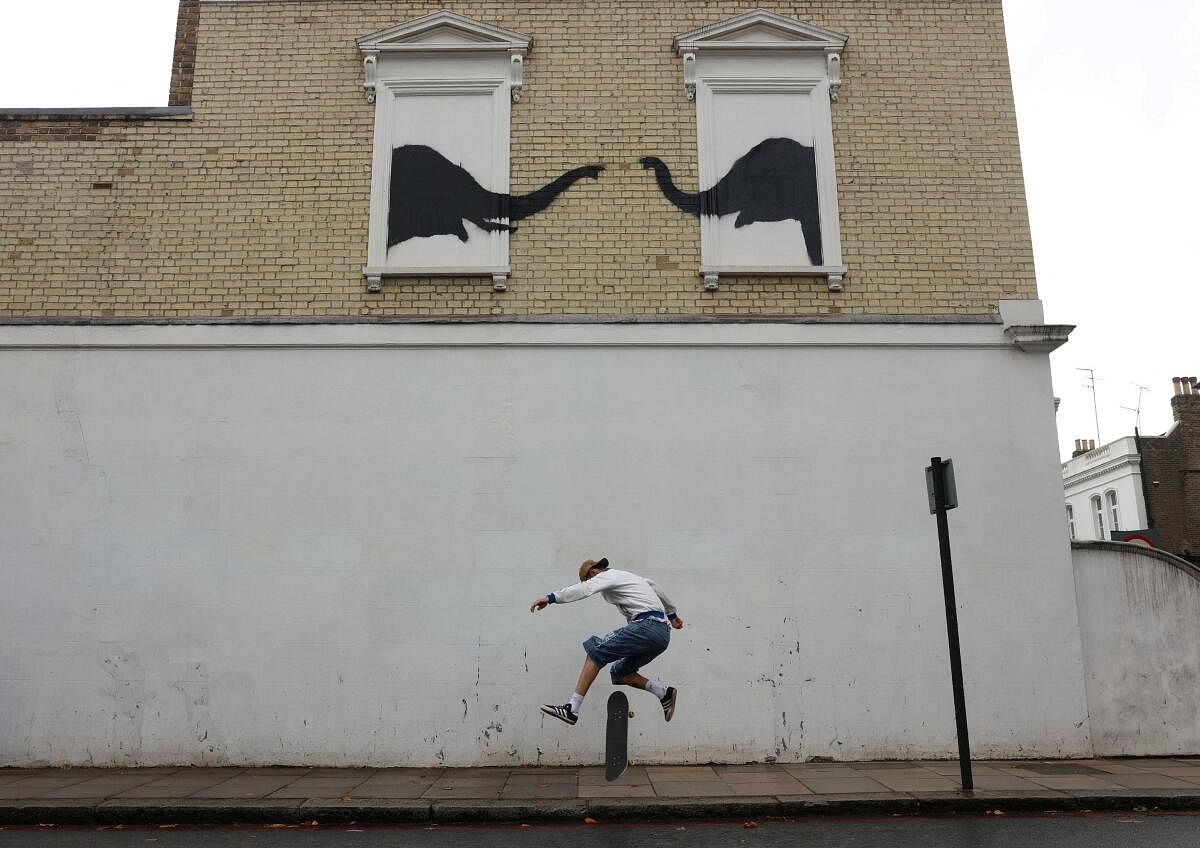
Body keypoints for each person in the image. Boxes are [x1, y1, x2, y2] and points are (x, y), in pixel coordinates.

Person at [529, 557, 684, 726]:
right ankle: (663, 693)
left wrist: (551, 598)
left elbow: (585, 589)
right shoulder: (631, 577)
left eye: (591, 579)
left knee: (595, 650)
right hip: (662, 635)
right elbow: (655, 587)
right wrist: (673, 615)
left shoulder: (606, 576)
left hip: (646, 627)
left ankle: (571, 709)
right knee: (620, 672)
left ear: (594, 572)